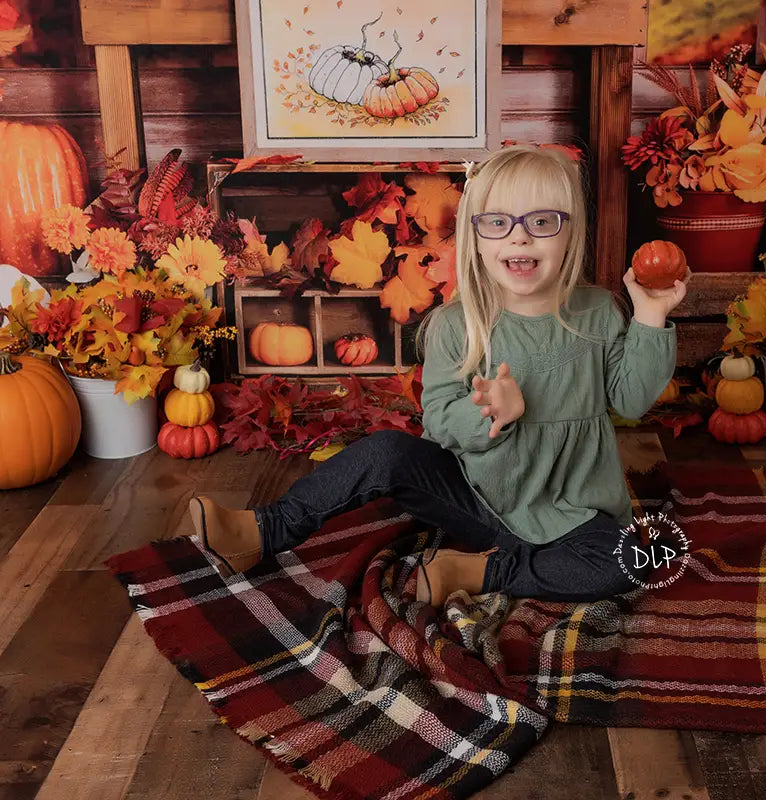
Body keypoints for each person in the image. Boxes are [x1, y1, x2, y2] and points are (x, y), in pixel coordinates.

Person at [189, 144, 689, 608]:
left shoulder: (599, 312)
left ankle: (481, 574)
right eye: (498, 222)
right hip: (478, 499)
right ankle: (264, 531)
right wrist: (490, 414)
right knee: (387, 452)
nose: (519, 236)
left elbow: (631, 400)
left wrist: (648, 314)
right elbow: (442, 421)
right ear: (475, 234)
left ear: (571, 231)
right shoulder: (457, 323)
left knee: (639, 559)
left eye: (542, 221)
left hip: (575, 512)